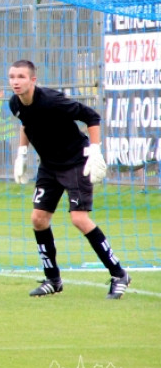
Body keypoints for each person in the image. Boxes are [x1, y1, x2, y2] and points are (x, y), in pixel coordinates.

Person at [8, 59, 131, 299]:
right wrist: (21, 153)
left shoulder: (52, 101)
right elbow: (25, 124)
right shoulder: (15, 103)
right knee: (38, 219)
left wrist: (95, 151)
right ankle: (53, 280)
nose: (16, 81)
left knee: (79, 219)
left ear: (33, 80)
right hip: (49, 166)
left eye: (21, 77)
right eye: (12, 77)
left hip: (76, 162)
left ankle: (119, 274)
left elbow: (91, 116)